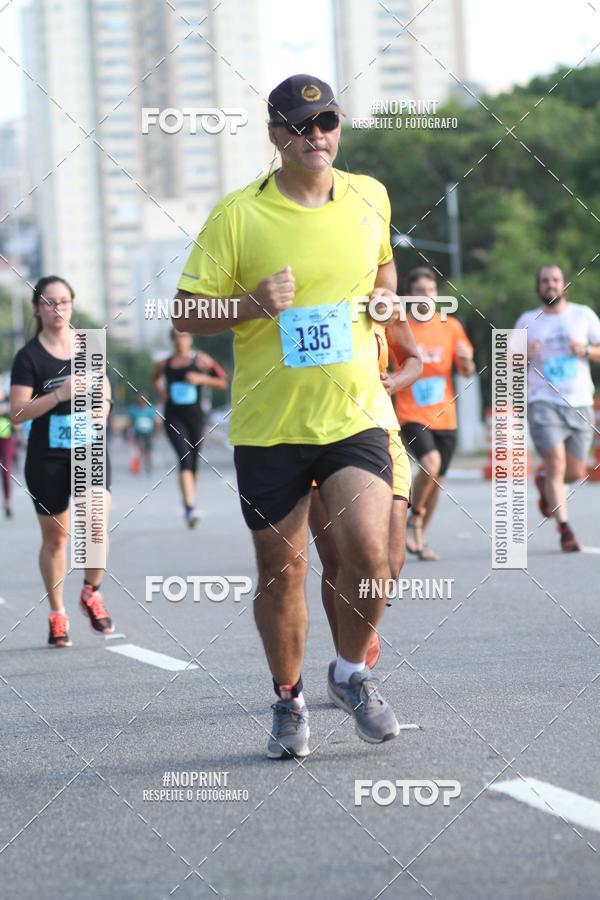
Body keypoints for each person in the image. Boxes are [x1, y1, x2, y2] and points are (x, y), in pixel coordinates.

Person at [174, 73, 408, 758]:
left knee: (370, 553)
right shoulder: (237, 215)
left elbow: (384, 272)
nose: (317, 136)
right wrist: (250, 304)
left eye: (327, 122)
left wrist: (387, 300)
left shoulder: (371, 196)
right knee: (283, 571)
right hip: (270, 425)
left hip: (354, 413)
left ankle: (352, 672)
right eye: (302, 126)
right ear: (276, 136)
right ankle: (288, 698)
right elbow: (188, 311)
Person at [9, 276, 115, 648]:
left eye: (65, 302)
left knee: (96, 522)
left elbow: (104, 388)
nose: (59, 310)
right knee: (57, 539)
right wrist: (58, 396)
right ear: (37, 307)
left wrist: (103, 408)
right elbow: (17, 413)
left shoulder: (89, 344)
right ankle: (58, 613)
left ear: (73, 304)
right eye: (50, 303)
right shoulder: (28, 356)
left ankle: (91, 591)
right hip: (47, 456)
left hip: (89, 447)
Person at [309, 323, 421, 669]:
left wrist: (395, 381)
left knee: (390, 561)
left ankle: (361, 621)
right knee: (336, 558)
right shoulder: (305, 298)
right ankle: (348, 663)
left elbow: (414, 359)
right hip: (315, 433)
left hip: (380, 433)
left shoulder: (380, 302)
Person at [388, 267, 475, 560]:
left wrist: (467, 362)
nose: (425, 296)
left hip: (445, 416)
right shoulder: (399, 328)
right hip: (411, 413)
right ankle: (409, 521)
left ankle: (420, 537)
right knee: (430, 463)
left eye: (431, 291)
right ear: (409, 297)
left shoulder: (450, 326)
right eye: (419, 292)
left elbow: (467, 369)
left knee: (436, 478)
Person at [516, 264, 600, 551]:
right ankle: (565, 530)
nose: (550, 285)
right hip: (543, 402)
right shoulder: (528, 320)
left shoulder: (583, 314)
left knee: (576, 473)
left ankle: (543, 482)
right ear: (538, 287)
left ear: (565, 285)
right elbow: (505, 361)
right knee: (556, 463)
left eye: (555, 280)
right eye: (544, 281)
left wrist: (587, 351)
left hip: (579, 402)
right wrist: (523, 354)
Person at [152, 329, 228, 527]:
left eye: (185, 336)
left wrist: (202, 379)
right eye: (177, 337)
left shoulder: (202, 360)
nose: (181, 341)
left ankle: (189, 499)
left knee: (193, 461)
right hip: (173, 417)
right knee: (184, 457)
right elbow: (155, 379)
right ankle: (190, 506)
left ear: (190, 338)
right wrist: (162, 392)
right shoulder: (165, 363)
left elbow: (222, 381)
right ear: (172, 340)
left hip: (195, 418)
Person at [0, 376, 17, 517]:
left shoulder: (8, 397)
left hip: (6, 438)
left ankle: (7, 501)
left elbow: (17, 415)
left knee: (5, 469)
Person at [128, 394, 157, 473]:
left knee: (148, 450)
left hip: (148, 433)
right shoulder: (134, 409)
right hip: (138, 432)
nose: (142, 402)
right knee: (138, 450)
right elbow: (130, 422)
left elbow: (154, 421)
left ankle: (148, 464)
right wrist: (127, 432)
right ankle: (137, 466)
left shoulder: (150, 409)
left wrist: (157, 430)